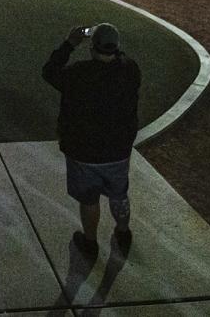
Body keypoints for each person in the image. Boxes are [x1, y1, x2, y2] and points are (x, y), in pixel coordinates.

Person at [43, 22, 141, 259]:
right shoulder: (130, 70)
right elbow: (123, 60)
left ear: (92, 47)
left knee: (89, 199)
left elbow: (49, 72)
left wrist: (70, 43)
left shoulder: (78, 73)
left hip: (83, 151)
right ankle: (123, 231)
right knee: (119, 194)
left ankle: (90, 242)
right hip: (118, 150)